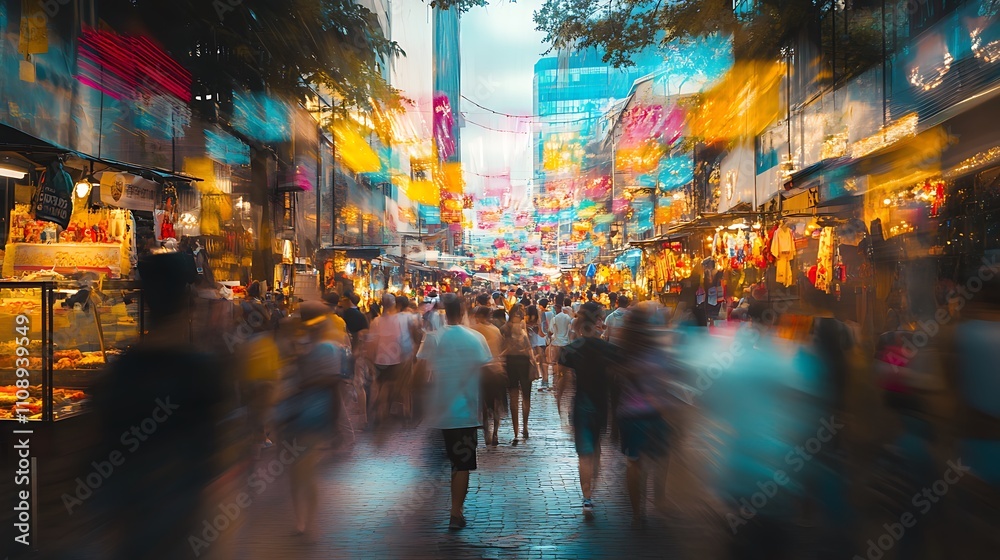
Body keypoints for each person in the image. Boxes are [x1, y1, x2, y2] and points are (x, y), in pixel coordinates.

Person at [417, 294, 493, 530]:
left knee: (438, 463)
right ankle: (455, 512)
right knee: (461, 464)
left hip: (437, 414)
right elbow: (488, 372)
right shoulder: (477, 338)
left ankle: (430, 508)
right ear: (463, 311)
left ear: (442, 311)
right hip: (465, 412)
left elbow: (419, 373)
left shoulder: (433, 338)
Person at [278, 302, 344, 538]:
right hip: (295, 414)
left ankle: (306, 521)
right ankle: (302, 520)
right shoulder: (303, 344)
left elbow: (332, 382)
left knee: (303, 469)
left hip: (311, 415)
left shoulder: (327, 348)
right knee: (298, 470)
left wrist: (335, 422)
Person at [614, 305, 676, 527]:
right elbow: (665, 377)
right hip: (653, 412)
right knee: (660, 457)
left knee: (634, 462)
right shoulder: (655, 348)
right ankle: (659, 499)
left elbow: (616, 380)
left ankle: (637, 514)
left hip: (629, 413)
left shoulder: (623, 349)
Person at [558, 302, 618, 519]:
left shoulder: (569, 350)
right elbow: (615, 377)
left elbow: (563, 380)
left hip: (581, 405)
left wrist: (560, 405)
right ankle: (592, 487)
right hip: (601, 404)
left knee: (584, 454)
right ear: (598, 321)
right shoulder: (609, 349)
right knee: (596, 450)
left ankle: (587, 497)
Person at [471, 306, 507, 446]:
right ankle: (495, 434)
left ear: (479, 316)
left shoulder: (474, 329)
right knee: (497, 404)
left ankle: (487, 433)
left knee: (484, 405)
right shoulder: (495, 330)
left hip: (481, 370)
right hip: (497, 370)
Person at [501, 303, 535, 443]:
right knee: (522, 396)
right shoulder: (520, 328)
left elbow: (503, 348)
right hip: (522, 363)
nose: (521, 316)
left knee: (516, 396)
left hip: (512, 363)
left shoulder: (506, 328)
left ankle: (519, 429)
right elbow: (528, 348)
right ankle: (521, 428)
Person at [549, 301, 574, 414]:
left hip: (556, 342)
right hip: (566, 343)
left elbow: (551, 331)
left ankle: (558, 379)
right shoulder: (568, 318)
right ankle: (563, 377)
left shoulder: (555, 318)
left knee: (556, 363)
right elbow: (571, 330)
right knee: (565, 363)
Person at [537, 298, 554, 391]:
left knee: (541, 359)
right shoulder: (550, 314)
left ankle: (545, 378)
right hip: (546, 338)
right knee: (545, 359)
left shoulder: (538, 313)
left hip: (540, 339)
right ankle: (545, 378)